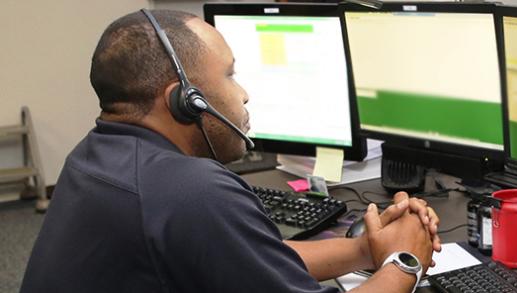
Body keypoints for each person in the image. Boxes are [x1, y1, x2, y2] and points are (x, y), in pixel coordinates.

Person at [21, 9, 440, 293]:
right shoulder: (188, 190)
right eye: (230, 74)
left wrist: (366, 250)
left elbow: (250, 257)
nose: (243, 94)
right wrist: (404, 261)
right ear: (185, 99)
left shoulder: (94, 159)